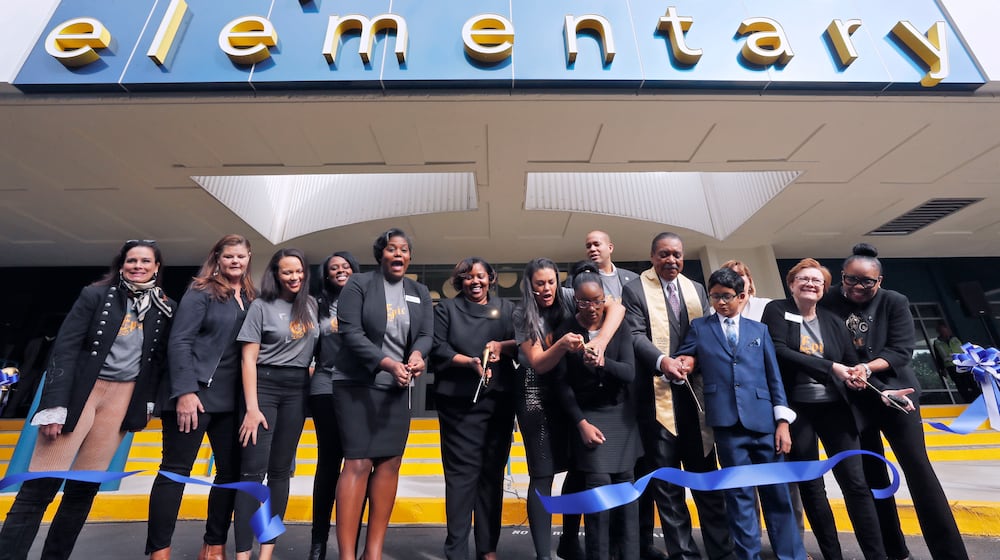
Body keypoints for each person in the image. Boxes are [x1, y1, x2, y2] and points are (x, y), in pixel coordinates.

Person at [0, 240, 174, 560]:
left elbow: (157, 361)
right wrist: (54, 406)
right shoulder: (95, 295)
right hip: (82, 393)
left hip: (122, 399)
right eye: (132, 260)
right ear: (121, 264)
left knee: (82, 491)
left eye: (145, 261)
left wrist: (148, 403)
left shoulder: (163, 306)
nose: (138, 266)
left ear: (156, 267)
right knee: (39, 487)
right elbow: (65, 348)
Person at [821, 243, 969, 560]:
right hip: (854, 399)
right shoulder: (827, 301)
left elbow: (901, 350)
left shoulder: (895, 301)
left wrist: (867, 369)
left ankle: (951, 554)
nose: (857, 287)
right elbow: (830, 349)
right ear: (842, 276)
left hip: (899, 397)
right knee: (872, 477)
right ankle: (895, 551)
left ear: (880, 281)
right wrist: (860, 376)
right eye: (850, 279)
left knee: (919, 472)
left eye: (867, 282)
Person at [675, 267, 803, 560]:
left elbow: (774, 378)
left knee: (777, 493)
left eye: (727, 296)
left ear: (742, 296)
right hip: (726, 424)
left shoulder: (759, 330)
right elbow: (685, 356)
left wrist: (783, 422)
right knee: (739, 495)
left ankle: (790, 555)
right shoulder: (700, 327)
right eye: (715, 296)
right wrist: (682, 364)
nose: (720, 302)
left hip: (765, 423)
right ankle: (748, 556)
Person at [761, 259, 886, 560]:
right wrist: (831, 367)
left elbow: (849, 361)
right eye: (803, 279)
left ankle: (877, 555)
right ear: (791, 285)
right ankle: (832, 555)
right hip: (797, 410)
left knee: (856, 484)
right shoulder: (777, 310)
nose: (810, 284)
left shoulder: (832, 320)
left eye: (817, 280)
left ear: (824, 288)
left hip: (835, 409)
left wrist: (863, 381)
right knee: (811, 485)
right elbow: (778, 350)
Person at [621, 232, 735, 560]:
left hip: (696, 399)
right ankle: (684, 554)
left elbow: (707, 333)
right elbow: (635, 334)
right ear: (652, 256)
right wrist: (663, 361)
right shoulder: (635, 289)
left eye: (677, 255)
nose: (671, 260)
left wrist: (693, 359)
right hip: (657, 400)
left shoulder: (696, 289)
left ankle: (722, 552)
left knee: (706, 479)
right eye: (664, 254)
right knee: (668, 486)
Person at [147, 234, 255, 560]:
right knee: (174, 472)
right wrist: (185, 391)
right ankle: (159, 551)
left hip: (231, 400)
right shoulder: (201, 291)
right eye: (229, 256)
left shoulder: (251, 297)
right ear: (217, 258)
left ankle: (213, 545)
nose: (235, 261)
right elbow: (179, 341)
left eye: (240, 256)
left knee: (230, 474)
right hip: (194, 395)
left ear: (248, 258)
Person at [513, 258, 624, 560]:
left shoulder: (568, 294)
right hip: (535, 392)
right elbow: (539, 363)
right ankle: (543, 555)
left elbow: (617, 308)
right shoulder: (522, 312)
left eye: (551, 282)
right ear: (530, 286)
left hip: (571, 390)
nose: (546, 288)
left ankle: (570, 541)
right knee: (543, 474)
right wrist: (562, 344)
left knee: (578, 469)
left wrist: (601, 341)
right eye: (540, 283)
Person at [333, 228, 433, 560]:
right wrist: (387, 363)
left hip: (396, 388)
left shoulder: (419, 291)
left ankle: (372, 552)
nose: (398, 254)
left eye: (404, 250)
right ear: (381, 255)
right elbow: (351, 332)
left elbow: (426, 335)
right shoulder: (359, 284)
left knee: (390, 462)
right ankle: (348, 555)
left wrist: (416, 355)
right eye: (392, 249)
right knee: (358, 462)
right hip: (357, 384)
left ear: (410, 257)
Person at [234, 248, 318, 560]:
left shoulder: (311, 305)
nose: (294, 277)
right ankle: (243, 554)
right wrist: (252, 408)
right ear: (276, 275)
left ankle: (266, 552)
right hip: (264, 388)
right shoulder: (261, 306)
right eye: (287, 272)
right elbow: (248, 359)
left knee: (281, 473)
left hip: (297, 390)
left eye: (299, 271)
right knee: (252, 474)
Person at [431, 257, 517, 560]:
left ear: (490, 278)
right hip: (458, 405)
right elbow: (437, 348)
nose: (475, 281)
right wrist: (469, 362)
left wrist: (501, 347)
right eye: (468, 277)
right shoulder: (446, 309)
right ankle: (455, 550)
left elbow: (522, 343)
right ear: (460, 281)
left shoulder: (507, 309)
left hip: (498, 404)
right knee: (460, 478)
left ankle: (487, 549)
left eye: (480, 276)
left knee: (492, 476)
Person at [552, 272, 641, 560]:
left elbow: (629, 372)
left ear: (605, 300)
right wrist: (581, 424)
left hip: (621, 416)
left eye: (598, 301)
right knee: (598, 489)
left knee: (626, 491)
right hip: (588, 416)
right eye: (584, 302)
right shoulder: (566, 330)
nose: (592, 308)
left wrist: (603, 362)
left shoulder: (618, 326)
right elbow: (561, 386)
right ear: (575, 300)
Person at [308, 250, 361, 560]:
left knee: (358, 465)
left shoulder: (368, 301)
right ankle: (318, 543)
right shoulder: (317, 304)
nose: (340, 270)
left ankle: (350, 545)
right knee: (329, 463)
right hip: (326, 384)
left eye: (346, 266)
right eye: (334, 268)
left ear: (354, 270)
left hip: (360, 389)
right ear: (326, 275)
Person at [585, 230, 637, 304]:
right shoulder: (580, 279)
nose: (592, 249)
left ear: (610, 248)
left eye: (597, 244)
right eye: (588, 246)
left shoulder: (633, 278)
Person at [932, 322, 980, 403]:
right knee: (961, 386)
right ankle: (968, 401)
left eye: (945, 330)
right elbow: (938, 357)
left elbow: (968, 349)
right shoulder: (937, 343)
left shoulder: (956, 338)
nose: (944, 333)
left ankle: (978, 399)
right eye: (941, 331)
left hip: (964, 364)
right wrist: (942, 369)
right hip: (951, 367)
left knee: (972, 383)